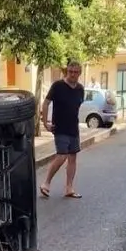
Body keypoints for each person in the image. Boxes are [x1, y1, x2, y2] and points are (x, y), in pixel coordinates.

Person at [39, 61, 87, 199]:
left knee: (73, 157)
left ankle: (69, 188)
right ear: (67, 71)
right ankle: (46, 184)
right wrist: (45, 123)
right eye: (70, 71)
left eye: (75, 72)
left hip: (74, 128)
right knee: (62, 156)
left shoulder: (80, 89)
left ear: (79, 73)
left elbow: (76, 106)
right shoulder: (58, 86)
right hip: (60, 127)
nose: (72, 74)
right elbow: (46, 102)